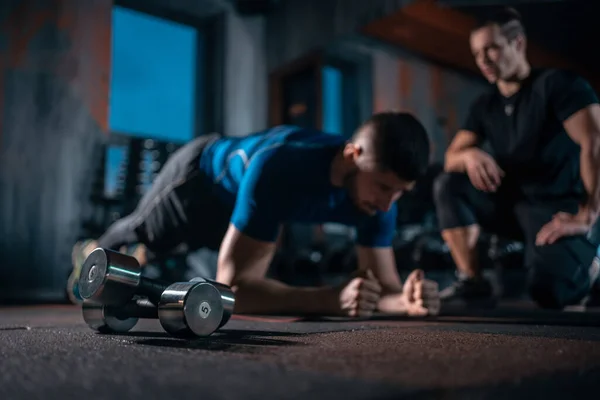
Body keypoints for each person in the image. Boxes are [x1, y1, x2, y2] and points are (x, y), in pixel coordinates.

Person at [69, 112, 441, 317]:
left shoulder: (378, 199)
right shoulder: (280, 168)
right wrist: (329, 299)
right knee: (145, 231)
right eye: (382, 187)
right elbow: (233, 290)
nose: (389, 204)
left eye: (399, 193)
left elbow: (385, 286)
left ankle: (142, 256)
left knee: (175, 256)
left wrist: (407, 301)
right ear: (352, 156)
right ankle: (90, 253)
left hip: (242, 206)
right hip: (201, 178)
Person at [434, 7, 600, 309]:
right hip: (514, 205)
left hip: (558, 208)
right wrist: (470, 154)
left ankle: (593, 265)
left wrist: (588, 215)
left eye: (491, 49)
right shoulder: (486, 104)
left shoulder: (557, 85)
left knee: (549, 293)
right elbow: (451, 158)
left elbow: (595, 142)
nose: (482, 60)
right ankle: (472, 281)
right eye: (476, 53)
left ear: (518, 44)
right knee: (449, 183)